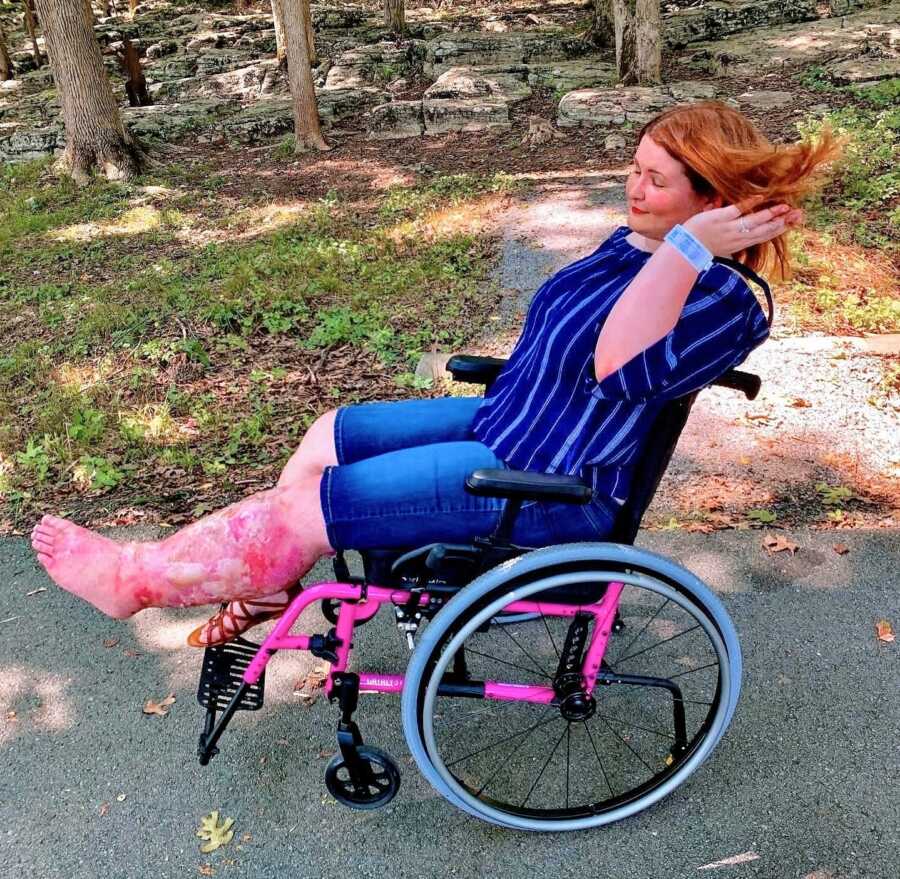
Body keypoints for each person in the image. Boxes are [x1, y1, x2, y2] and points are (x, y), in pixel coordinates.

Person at [30, 101, 839, 647]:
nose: (633, 188)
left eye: (656, 181)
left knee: (307, 509)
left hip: (552, 481)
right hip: (508, 423)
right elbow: (566, 328)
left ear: (710, 203)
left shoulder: (727, 302)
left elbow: (617, 364)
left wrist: (693, 249)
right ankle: (273, 585)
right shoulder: (638, 246)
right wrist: (673, 242)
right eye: (634, 168)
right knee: (330, 433)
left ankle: (133, 580)